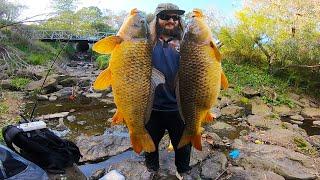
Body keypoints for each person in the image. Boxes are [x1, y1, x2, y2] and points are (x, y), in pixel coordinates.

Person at [144, 3, 193, 180]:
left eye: (175, 17)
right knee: (150, 144)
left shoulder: (188, 42)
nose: (171, 20)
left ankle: (183, 171)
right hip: (151, 107)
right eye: (165, 16)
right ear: (156, 19)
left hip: (180, 106)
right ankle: (152, 170)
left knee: (183, 145)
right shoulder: (146, 42)